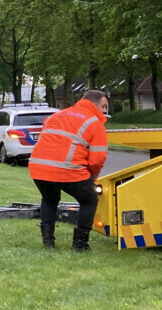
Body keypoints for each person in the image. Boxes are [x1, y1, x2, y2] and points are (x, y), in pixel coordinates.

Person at [28, 90, 110, 251]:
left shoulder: (56, 115)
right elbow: (97, 160)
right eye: (104, 106)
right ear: (94, 105)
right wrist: (92, 177)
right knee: (89, 200)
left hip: (38, 167)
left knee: (50, 199)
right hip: (68, 169)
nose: (106, 110)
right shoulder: (94, 124)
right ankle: (80, 245)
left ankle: (48, 243)